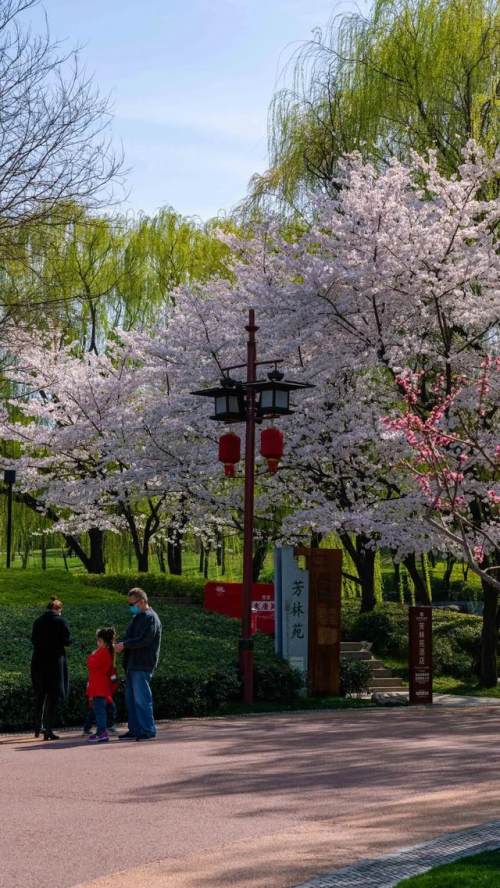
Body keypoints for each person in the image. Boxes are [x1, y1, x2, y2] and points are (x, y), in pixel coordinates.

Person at [115, 588, 162, 741]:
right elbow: (132, 638)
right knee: (131, 700)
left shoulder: (150, 618)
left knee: (142, 699)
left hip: (142, 664)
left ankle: (148, 729)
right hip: (133, 664)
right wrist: (122, 644)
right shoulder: (139, 616)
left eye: (132, 604)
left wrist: (125, 645)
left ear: (142, 601)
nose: (131, 607)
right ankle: (135, 729)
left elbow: (144, 640)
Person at [31, 597, 71, 741]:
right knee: (53, 697)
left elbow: (33, 640)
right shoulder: (61, 621)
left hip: (38, 662)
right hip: (55, 663)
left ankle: (37, 727)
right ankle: (48, 730)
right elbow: (66, 641)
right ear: (58, 609)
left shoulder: (38, 621)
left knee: (39, 695)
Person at [85, 627, 117, 744]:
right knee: (99, 710)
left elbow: (91, 664)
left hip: (99, 687)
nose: (97, 643)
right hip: (99, 686)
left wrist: (92, 655)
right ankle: (100, 732)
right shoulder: (105, 652)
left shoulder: (102, 652)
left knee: (99, 712)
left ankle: (102, 732)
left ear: (103, 641)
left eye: (98, 640)